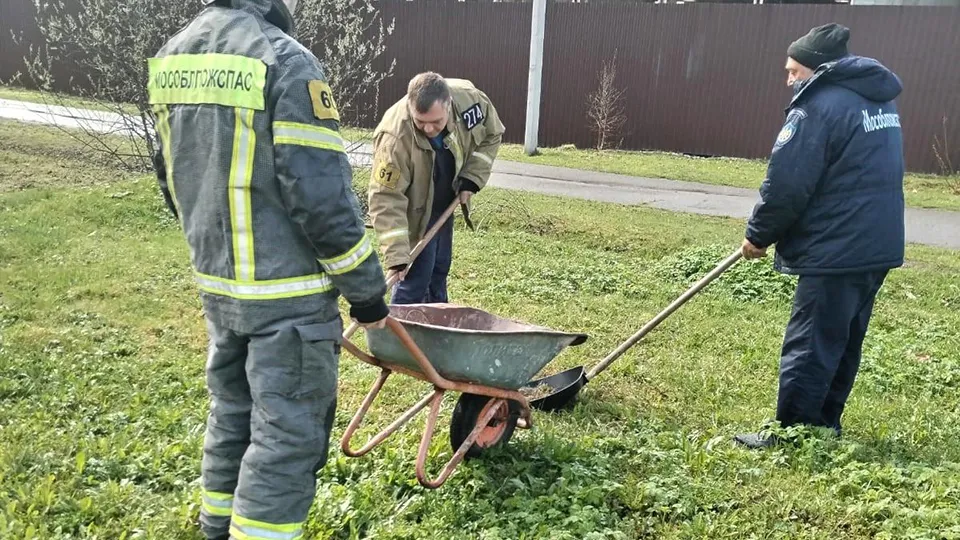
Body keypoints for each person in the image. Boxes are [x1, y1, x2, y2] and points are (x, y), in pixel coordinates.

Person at [147, 0, 390, 538]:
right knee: (287, 436)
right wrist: (367, 292)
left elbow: (170, 176)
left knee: (232, 414)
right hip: (289, 300)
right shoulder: (286, 60)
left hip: (220, 290)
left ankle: (215, 528)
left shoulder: (173, 56)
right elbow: (321, 196)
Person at [734, 23, 905, 449]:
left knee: (811, 342)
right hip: (875, 244)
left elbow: (787, 184)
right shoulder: (875, 99)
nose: (789, 80)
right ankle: (822, 426)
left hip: (837, 246)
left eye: (794, 71)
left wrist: (759, 235)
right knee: (842, 340)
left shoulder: (817, 108)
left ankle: (794, 435)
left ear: (819, 69)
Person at [367, 72, 504, 304]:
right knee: (415, 276)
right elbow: (385, 198)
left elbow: (493, 133)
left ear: (449, 105)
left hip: (445, 197)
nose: (429, 129)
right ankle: (399, 333)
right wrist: (397, 254)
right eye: (420, 122)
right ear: (410, 106)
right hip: (415, 207)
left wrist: (472, 177)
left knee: (439, 268)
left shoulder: (471, 103)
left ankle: (436, 327)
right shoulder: (394, 138)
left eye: (436, 122)